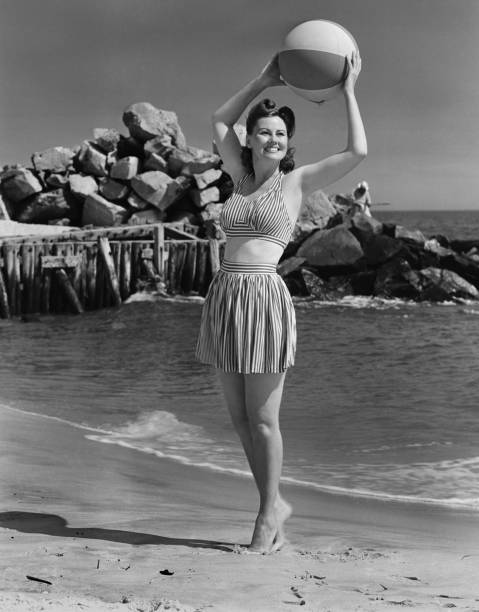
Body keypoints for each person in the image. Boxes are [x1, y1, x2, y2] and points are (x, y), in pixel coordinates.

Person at [196, 51, 367, 553]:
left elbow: (357, 150)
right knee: (240, 419)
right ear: (250, 139)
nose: (272, 138)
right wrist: (265, 80)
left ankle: (268, 513)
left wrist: (348, 90)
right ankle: (273, 504)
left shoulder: (295, 183)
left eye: (279, 133)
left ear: (288, 143)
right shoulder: (239, 176)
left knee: (265, 419)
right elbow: (218, 119)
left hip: (265, 299)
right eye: (263, 131)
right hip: (226, 295)